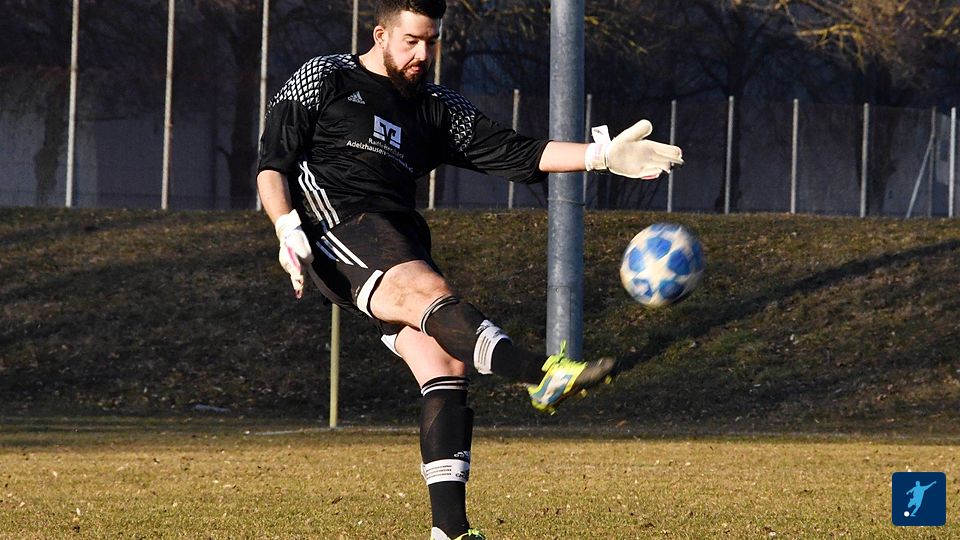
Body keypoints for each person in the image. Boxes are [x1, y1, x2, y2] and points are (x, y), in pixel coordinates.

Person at [255, 1, 683, 538]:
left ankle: (450, 532)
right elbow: (273, 162)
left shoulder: (435, 106)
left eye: (431, 42)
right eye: (411, 41)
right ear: (381, 34)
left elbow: (515, 151)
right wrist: (286, 227)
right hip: (335, 225)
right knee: (427, 290)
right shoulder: (325, 76)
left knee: (445, 365)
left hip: (398, 235)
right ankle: (539, 374)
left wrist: (600, 157)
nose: (422, 54)